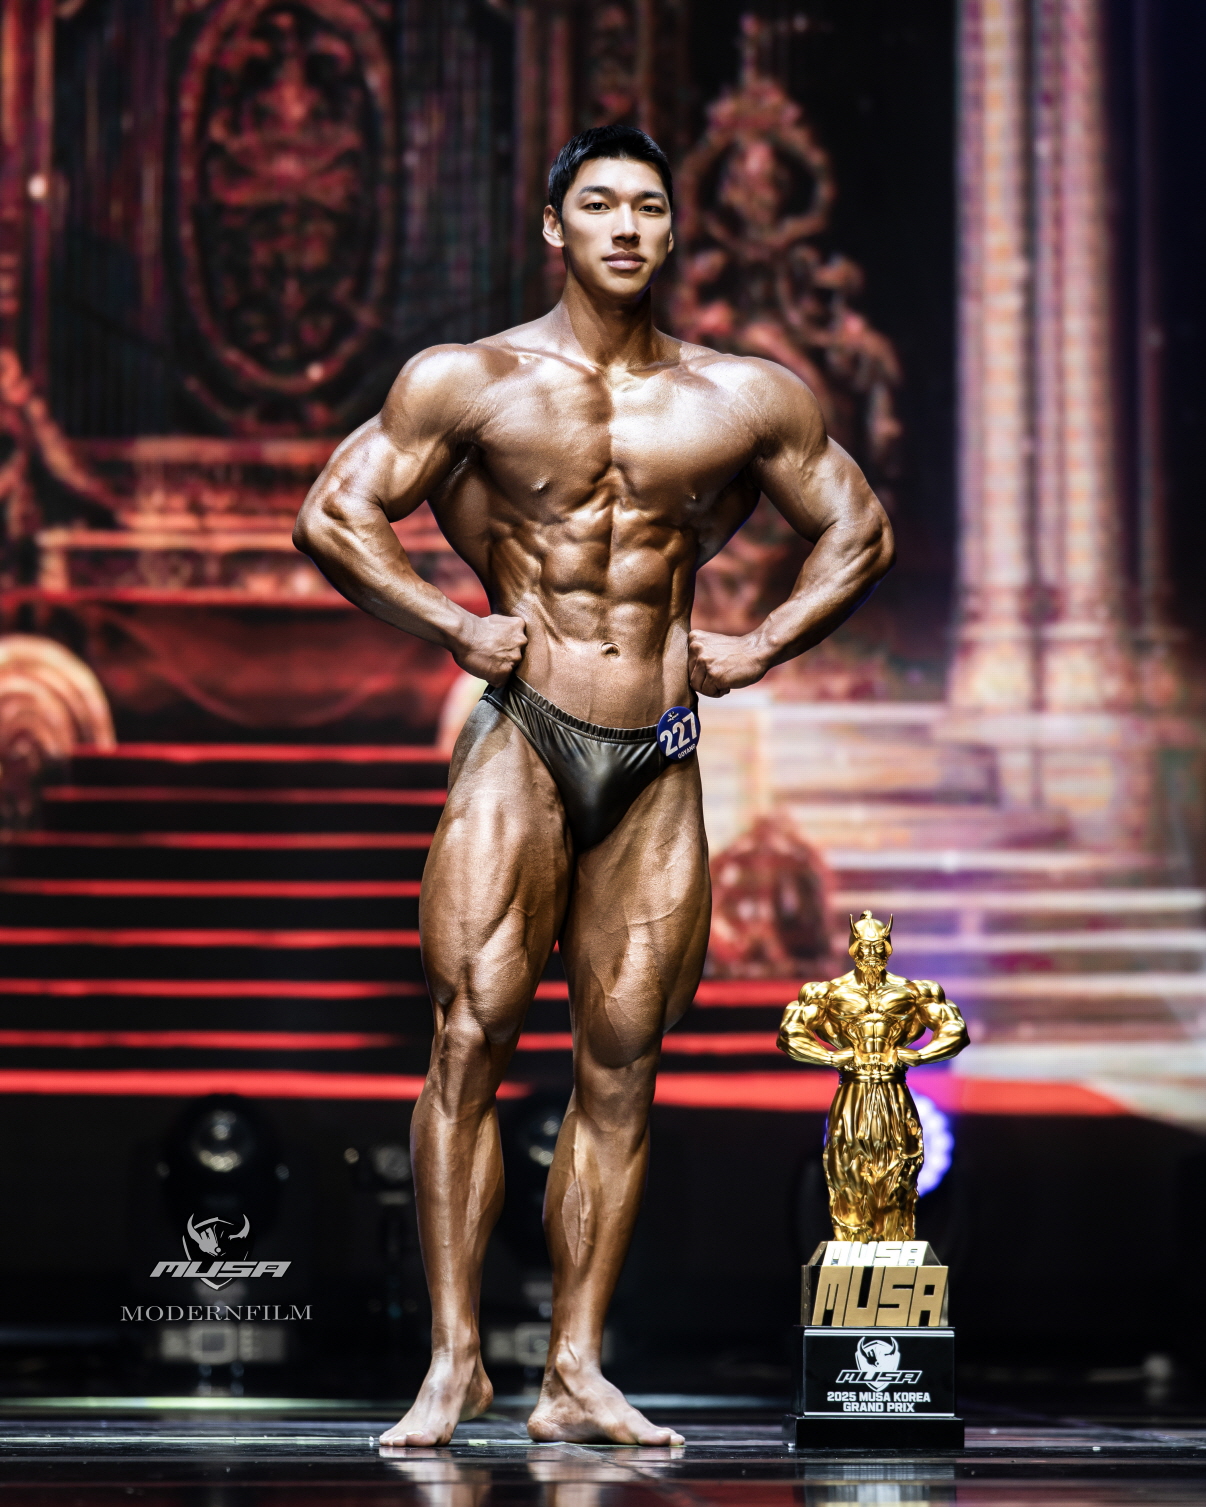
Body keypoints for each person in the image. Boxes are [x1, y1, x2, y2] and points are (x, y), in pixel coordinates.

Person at [293, 123, 894, 1446]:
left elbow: (857, 530)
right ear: (553, 227)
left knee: (622, 1070)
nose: (626, 227)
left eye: (649, 207)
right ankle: (455, 1364)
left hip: (658, 753)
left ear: (674, 232)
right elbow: (334, 511)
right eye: (600, 205)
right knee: (470, 1039)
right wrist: (450, 624)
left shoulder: (742, 398)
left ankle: (573, 1371)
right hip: (522, 733)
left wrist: (760, 644)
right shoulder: (471, 381)